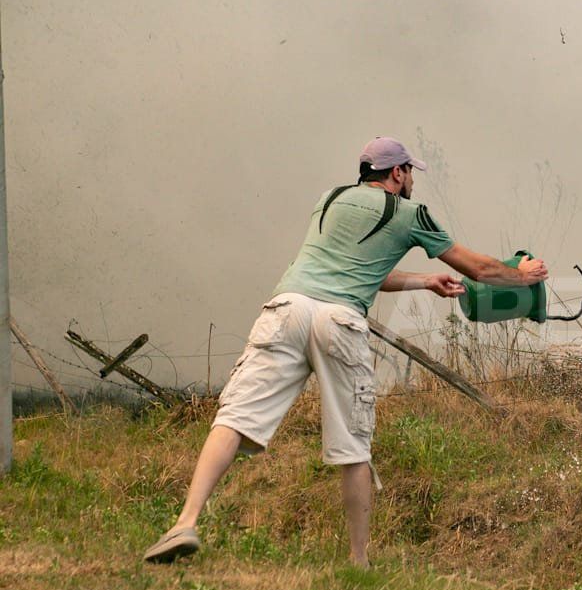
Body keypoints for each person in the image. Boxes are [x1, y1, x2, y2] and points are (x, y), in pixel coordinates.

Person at [143, 136, 548, 567]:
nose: (413, 181)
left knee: (234, 417)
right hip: (339, 322)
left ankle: (184, 523)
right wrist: (522, 277)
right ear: (398, 173)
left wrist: (424, 281)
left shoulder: (330, 200)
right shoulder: (411, 213)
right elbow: (478, 268)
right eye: (410, 172)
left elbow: (363, 267)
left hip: (288, 308)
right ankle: (359, 562)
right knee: (352, 445)